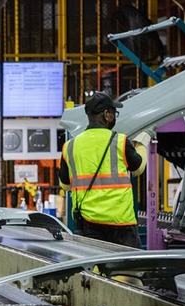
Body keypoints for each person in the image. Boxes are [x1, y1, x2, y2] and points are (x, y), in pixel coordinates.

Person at [58, 91, 153, 248]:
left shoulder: (70, 146)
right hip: (121, 223)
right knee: (130, 270)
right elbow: (138, 168)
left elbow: (65, 185)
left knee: (96, 269)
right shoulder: (120, 141)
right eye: (114, 113)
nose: (115, 117)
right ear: (107, 114)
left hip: (89, 224)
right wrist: (143, 139)